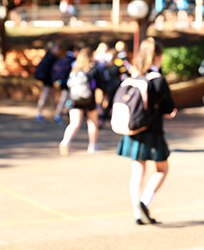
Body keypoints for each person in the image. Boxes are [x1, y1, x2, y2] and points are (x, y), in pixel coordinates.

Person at [116, 37, 177, 225]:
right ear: (158, 56)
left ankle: (137, 212)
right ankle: (144, 203)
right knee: (162, 169)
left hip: (133, 130)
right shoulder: (157, 79)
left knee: (137, 172)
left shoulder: (132, 76)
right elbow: (169, 109)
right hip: (153, 130)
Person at [59, 47, 105, 156]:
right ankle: (93, 145)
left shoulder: (74, 70)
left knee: (74, 123)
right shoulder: (92, 69)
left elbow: (67, 85)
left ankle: (65, 142)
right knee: (93, 122)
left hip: (75, 99)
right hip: (89, 100)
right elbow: (101, 84)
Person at [98, 48, 127, 127]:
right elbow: (124, 73)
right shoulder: (118, 65)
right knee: (114, 102)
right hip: (116, 86)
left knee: (109, 102)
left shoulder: (108, 66)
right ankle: (104, 118)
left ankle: (103, 118)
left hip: (109, 86)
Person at [34, 42, 61, 123]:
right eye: (56, 48)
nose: (58, 50)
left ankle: (56, 113)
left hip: (48, 80)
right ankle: (39, 113)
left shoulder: (47, 56)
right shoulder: (51, 58)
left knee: (52, 96)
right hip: (48, 80)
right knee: (45, 96)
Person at [51, 43, 77, 125]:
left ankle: (61, 113)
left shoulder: (64, 57)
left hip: (63, 81)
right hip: (69, 82)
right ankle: (59, 114)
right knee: (66, 98)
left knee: (65, 98)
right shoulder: (73, 59)